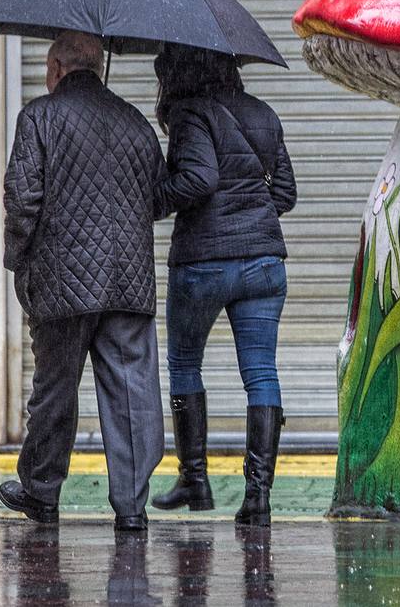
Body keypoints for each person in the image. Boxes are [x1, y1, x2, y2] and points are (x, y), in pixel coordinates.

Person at [0, 31, 167, 533]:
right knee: (132, 394)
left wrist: (18, 263)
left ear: (55, 68)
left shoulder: (40, 117)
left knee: (54, 390)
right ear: (97, 68)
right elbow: (157, 199)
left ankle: (42, 493)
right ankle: (132, 508)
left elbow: (22, 199)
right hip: (130, 283)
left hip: (61, 281)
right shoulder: (136, 122)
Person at [150, 45, 297, 526]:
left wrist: (154, 201)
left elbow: (197, 180)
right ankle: (258, 497)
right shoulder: (264, 114)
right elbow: (285, 194)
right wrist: (250, 223)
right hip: (263, 265)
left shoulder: (191, 112)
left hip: (203, 265)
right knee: (262, 374)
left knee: (184, 365)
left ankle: (195, 480)